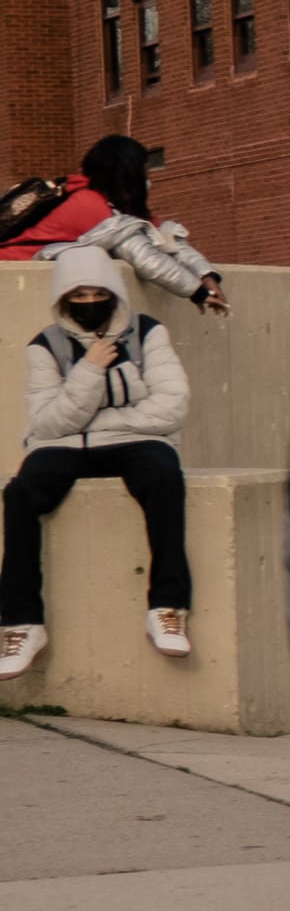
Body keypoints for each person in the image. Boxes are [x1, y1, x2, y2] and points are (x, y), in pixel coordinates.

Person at [0, 245, 197, 675]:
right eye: (79, 296)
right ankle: (21, 622)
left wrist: (98, 421)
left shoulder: (148, 333)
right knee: (20, 494)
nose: (90, 304)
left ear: (113, 292)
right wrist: (89, 370)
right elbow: (47, 423)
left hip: (137, 443)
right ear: (63, 298)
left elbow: (172, 406)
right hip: (65, 448)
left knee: (164, 477)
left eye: (97, 294)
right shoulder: (45, 346)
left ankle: (167, 605)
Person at [1, 134, 231, 315]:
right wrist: (198, 293)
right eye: (144, 172)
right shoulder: (89, 204)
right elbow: (143, 256)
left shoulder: (105, 202)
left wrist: (206, 275)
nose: (148, 179)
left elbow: (165, 238)